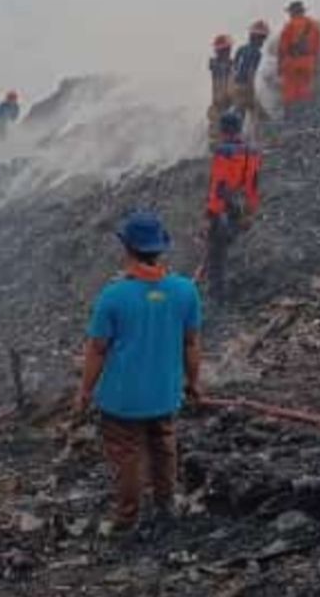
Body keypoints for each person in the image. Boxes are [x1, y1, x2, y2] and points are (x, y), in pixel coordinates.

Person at [75, 210, 204, 535]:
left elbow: (98, 349)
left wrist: (85, 392)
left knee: (127, 457)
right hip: (165, 394)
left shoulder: (113, 296)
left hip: (122, 400)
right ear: (160, 248)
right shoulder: (185, 290)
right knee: (164, 446)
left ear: (128, 248)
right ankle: (165, 505)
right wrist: (194, 383)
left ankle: (127, 520)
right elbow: (191, 343)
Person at [203, 111, 261, 304]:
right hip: (241, 204)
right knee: (226, 244)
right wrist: (251, 211)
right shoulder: (252, 151)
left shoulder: (224, 152)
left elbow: (218, 185)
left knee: (216, 252)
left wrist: (211, 213)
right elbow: (253, 184)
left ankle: (217, 297)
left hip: (224, 206)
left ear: (223, 130)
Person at [277, 1, 320, 110]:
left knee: (289, 92)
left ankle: (289, 116)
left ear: (292, 12)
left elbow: (282, 48)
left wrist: (279, 66)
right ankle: (304, 114)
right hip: (308, 62)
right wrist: (316, 65)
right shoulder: (315, 26)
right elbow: (318, 48)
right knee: (305, 90)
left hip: (291, 62)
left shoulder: (289, 26)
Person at [232, 20, 272, 138]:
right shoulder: (256, 53)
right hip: (246, 87)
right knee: (257, 114)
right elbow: (251, 72)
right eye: (262, 38)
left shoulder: (241, 49)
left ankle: (237, 138)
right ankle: (260, 140)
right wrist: (251, 90)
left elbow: (234, 67)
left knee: (242, 113)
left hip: (236, 86)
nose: (263, 42)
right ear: (257, 38)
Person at [207, 35, 234, 142]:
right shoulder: (220, 64)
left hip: (222, 102)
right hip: (220, 102)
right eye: (227, 49)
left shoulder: (219, 64)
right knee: (217, 128)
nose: (229, 51)